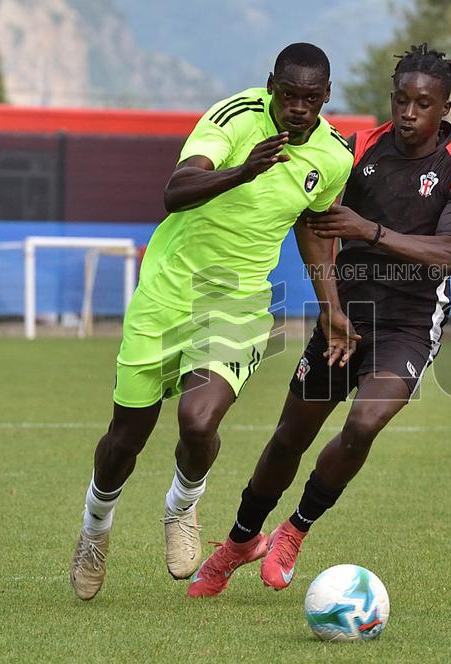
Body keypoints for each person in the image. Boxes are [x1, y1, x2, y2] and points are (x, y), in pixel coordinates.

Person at [186, 43, 451, 598]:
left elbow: (447, 254)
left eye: (423, 104)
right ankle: (237, 543)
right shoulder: (355, 151)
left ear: (445, 107)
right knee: (289, 437)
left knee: (363, 425)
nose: (408, 113)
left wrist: (367, 230)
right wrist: (331, 309)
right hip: (346, 310)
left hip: (409, 321)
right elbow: (314, 223)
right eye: (400, 99)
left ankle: (294, 530)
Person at [69, 42, 357, 601]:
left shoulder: (333, 156)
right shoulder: (232, 118)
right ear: (271, 84)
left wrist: (333, 308)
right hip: (167, 292)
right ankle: (94, 529)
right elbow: (176, 191)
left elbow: (314, 231)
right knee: (126, 437)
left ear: (326, 96)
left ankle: (181, 506)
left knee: (199, 421)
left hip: (238, 304)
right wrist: (243, 172)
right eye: (289, 95)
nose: (298, 108)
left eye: (311, 98)